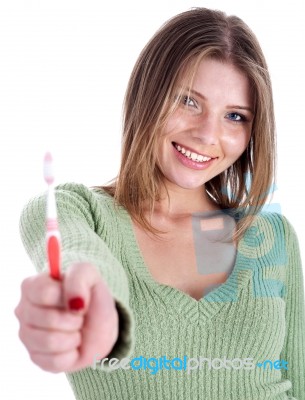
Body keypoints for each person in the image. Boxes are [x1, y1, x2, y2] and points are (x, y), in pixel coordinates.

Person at [15, 7, 305, 400]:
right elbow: (84, 262)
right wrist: (92, 304)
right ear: (147, 94)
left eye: (235, 116)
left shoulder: (271, 236)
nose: (207, 134)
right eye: (188, 101)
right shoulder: (74, 210)